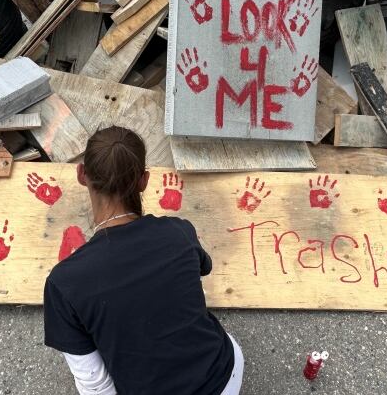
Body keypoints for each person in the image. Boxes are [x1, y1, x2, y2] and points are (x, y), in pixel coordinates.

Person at [44, 126, 244, 394]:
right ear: (144, 181)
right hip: (225, 375)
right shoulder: (179, 231)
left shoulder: (63, 283)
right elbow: (199, 272)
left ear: (82, 175)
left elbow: (95, 384)